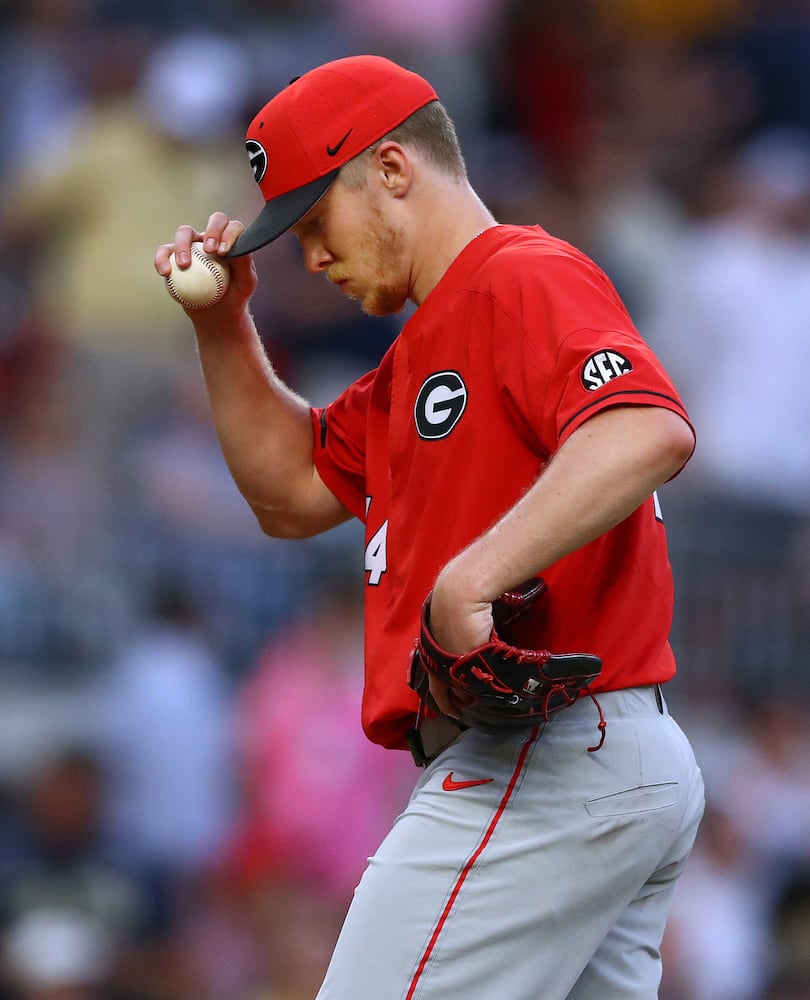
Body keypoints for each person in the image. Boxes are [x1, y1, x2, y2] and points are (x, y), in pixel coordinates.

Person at [154, 54, 705, 1000]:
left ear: (394, 170)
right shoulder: (424, 348)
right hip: (597, 760)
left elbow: (647, 426)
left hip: (545, 757)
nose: (312, 257)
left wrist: (470, 578)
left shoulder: (518, 275)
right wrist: (223, 328)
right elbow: (288, 493)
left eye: (316, 221)